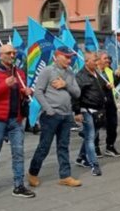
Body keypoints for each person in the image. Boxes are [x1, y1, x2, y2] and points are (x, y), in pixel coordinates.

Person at [0, 44, 34, 197]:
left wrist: (27, 92)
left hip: (16, 118)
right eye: (9, 53)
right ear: (0, 55)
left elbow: (23, 92)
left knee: (18, 152)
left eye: (14, 53)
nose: (12, 55)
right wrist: (4, 85)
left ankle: (19, 185)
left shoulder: (18, 72)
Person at [27, 47, 82, 188]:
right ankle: (33, 173)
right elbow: (38, 91)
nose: (69, 60)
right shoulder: (47, 71)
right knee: (44, 147)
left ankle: (65, 176)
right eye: (66, 57)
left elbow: (77, 93)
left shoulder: (70, 72)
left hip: (66, 115)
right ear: (57, 56)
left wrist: (66, 84)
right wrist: (48, 109)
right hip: (51, 116)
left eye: (71, 57)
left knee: (63, 146)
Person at [73, 51, 107, 176]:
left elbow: (102, 87)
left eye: (97, 59)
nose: (97, 62)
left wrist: (110, 84)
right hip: (86, 110)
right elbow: (76, 95)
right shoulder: (81, 76)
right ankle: (94, 165)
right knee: (91, 137)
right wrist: (77, 112)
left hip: (99, 111)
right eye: (94, 60)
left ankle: (81, 157)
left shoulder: (96, 73)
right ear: (86, 61)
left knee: (90, 136)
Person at [97, 52, 120, 157]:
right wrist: (104, 86)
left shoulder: (109, 70)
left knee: (112, 125)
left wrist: (118, 77)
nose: (108, 60)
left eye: (108, 58)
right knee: (97, 127)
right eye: (105, 58)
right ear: (98, 60)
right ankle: (95, 147)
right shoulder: (94, 72)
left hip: (110, 103)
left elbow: (113, 85)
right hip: (98, 104)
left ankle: (110, 146)